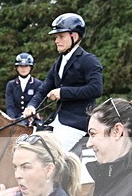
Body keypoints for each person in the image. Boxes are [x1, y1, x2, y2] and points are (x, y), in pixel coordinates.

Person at [22, 13, 104, 152]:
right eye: (56, 37)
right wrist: (31, 106)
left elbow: (96, 89)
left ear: (74, 36)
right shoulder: (59, 63)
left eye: (61, 36)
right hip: (57, 121)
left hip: (76, 123)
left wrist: (63, 92)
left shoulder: (88, 60)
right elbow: (43, 89)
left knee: (49, 154)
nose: (56, 40)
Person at [5, 52, 43, 123]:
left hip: (33, 119)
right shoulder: (11, 85)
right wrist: (12, 121)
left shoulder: (38, 84)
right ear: (16, 68)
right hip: (16, 119)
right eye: (21, 66)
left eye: (26, 66)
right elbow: (10, 106)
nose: (23, 69)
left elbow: (39, 103)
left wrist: (32, 114)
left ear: (31, 67)